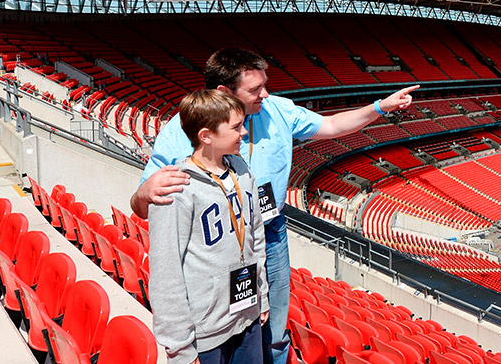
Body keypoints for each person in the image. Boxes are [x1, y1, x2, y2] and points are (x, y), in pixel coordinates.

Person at [132, 47, 418, 364]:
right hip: (220, 243)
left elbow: (333, 125)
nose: (265, 95)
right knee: (228, 330)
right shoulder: (182, 128)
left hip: (269, 232)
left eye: (266, 85)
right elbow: (146, 203)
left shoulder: (278, 110)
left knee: (273, 326)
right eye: (255, 89)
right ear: (224, 92)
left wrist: (380, 106)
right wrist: (145, 191)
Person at [150, 89, 268, 364]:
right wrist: (180, 348)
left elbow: (256, 236)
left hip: (248, 316)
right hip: (205, 332)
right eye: (236, 127)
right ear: (206, 136)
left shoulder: (241, 168)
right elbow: (166, 270)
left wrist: (261, 293)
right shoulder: (176, 188)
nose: (245, 133)